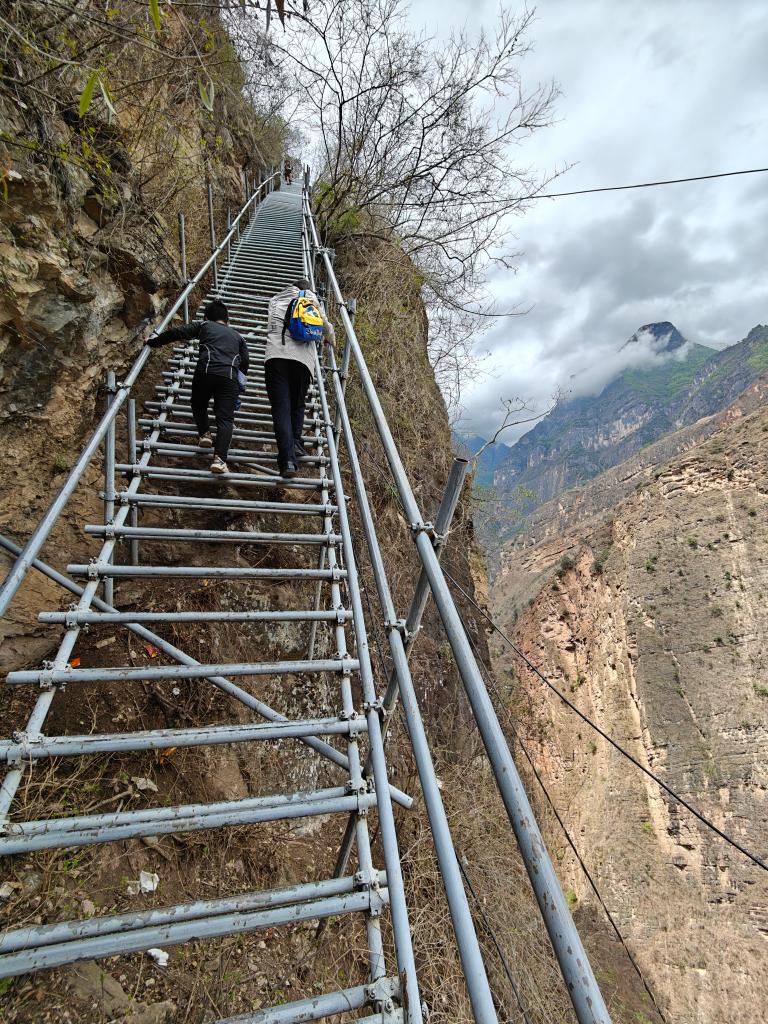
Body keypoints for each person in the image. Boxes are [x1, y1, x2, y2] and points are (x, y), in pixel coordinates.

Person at [147, 299, 248, 475]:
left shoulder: (204, 325)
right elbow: (245, 361)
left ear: (206, 317)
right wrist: (238, 384)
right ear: (227, 320)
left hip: (206, 371)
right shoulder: (238, 337)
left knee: (199, 403)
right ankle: (219, 460)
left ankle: (205, 434)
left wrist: (153, 342)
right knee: (225, 419)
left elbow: (178, 332)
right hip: (229, 377)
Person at [264, 279, 335, 478]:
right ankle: (296, 442)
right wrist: (331, 340)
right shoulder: (313, 300)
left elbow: (271, 326)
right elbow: (325, 326)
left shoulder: (276, 299)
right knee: (297, 405)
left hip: (276, 356)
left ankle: (288, 460)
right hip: (303, 361)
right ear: (309, 289)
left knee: (281, 408)